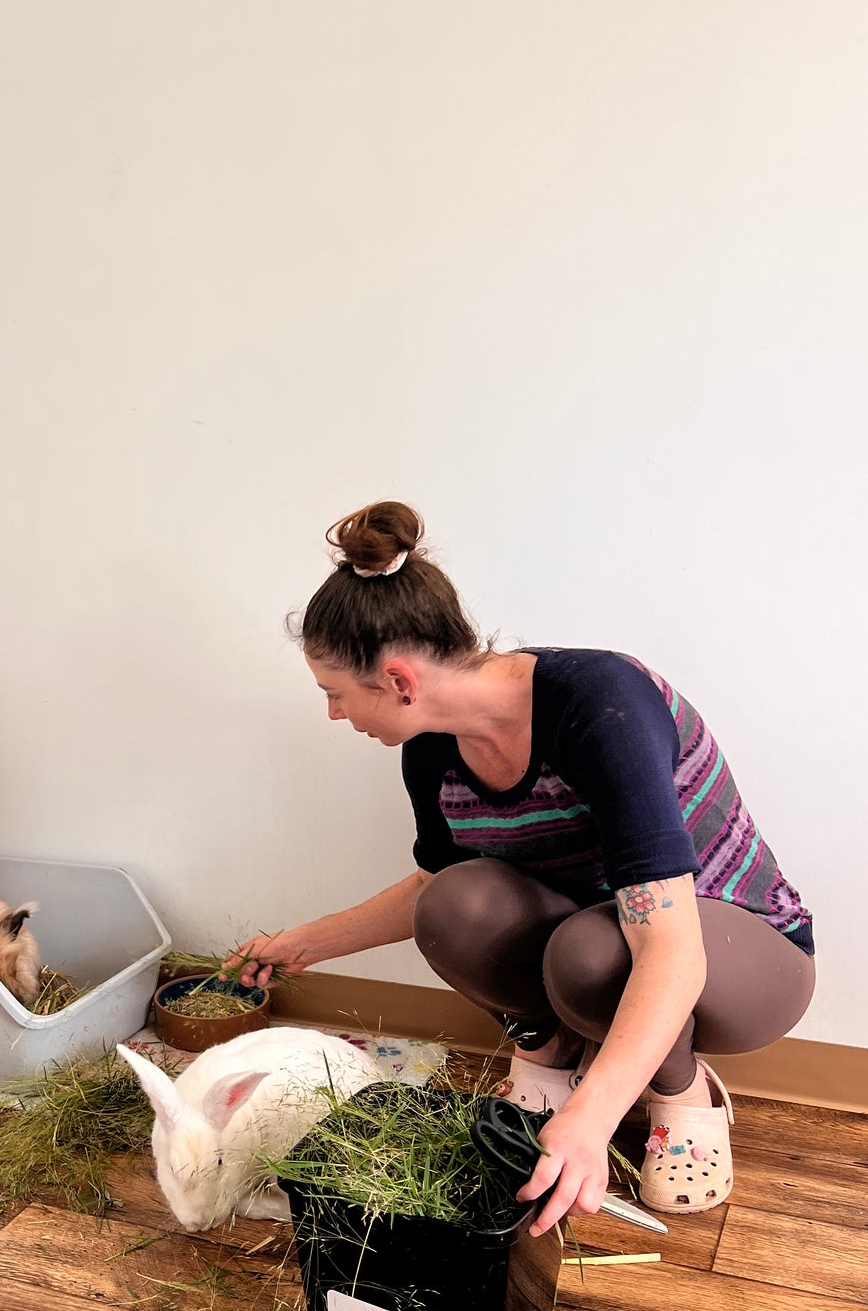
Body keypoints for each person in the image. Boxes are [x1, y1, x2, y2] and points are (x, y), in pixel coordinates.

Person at [226, 500, 814, 1234]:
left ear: (400, 681)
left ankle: (681, 1092)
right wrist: (301, 945)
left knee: (591, 952)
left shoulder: (600, 705)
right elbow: (433, 889)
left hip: (742, 953)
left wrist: (592, 1120)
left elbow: (668, 944)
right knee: (452, 903)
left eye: (335, 694)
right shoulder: (431, 747)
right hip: (603, 934)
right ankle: (550, 1058)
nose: (335, 715)